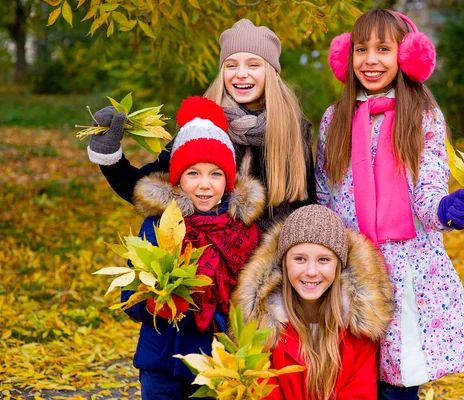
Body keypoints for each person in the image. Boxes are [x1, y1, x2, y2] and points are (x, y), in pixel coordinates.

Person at [316, 9, 464, 400]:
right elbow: (324, 192)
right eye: (361, 49)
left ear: (407, 57)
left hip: (405, 267)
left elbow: (429, 186)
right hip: (350, 267)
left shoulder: (423, 117)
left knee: (396, 382)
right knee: (351, 376)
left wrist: (445, 210)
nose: (370, 60)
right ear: (346, 56)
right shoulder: (334, 118)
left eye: (383, 49)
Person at [87, 19, 315, 231]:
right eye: (231, 65)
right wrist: (110, 158)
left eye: (253, 65)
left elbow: (307, 207)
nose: (241, 74)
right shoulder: (203, 125)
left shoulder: (293, 129)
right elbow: (147, 188)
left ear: (272, 72)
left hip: (267, 266)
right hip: (205, 261)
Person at [122, 97, 264, 400]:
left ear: (228, 180)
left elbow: (254, 296)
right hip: (163, 363)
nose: (204, 185)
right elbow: (130, 298)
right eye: (193, 173)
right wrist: (158, 300)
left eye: (215, 174)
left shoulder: (243, 232)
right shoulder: (160, 226)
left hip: (219, 363)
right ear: (177, 178)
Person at [232, 205, 395, 400]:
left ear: (339, 266)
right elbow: (262, 392)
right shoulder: (262, 330)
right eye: (299, 259)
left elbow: (360, 394)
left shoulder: (358, 330)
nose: (311, 271)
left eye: (324, 260)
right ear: (283, 263)